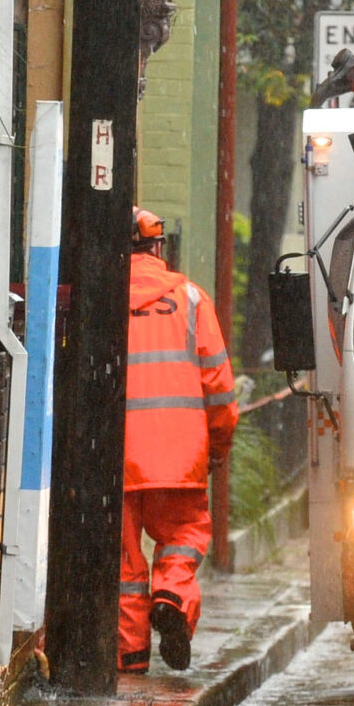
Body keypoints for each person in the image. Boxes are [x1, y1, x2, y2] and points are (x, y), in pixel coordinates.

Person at [122, 207, 238, 672]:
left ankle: (129, 657)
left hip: (116, 457)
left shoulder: (98, 296)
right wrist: (218, 447)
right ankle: (171, 594)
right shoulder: (190, 299)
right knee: (185, 535)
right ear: (158, 248)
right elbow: (220, 388)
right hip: (181, 458)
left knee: (125, 565)